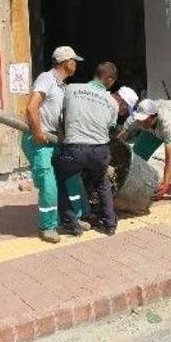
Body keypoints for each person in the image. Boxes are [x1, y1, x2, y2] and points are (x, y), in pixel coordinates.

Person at [23, 46, 90, 244]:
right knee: (49, 184)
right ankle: (48, 226)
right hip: (39, 140)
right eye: (73, 61)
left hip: (54, 140)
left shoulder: (62, 86)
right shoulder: (47, 79)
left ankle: (72, 218)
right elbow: (31, 107)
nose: (76, 65)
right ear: (65, 62)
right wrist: (37, 132)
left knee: (71, 178)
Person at [55, 62, 121, 235]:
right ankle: (110, 225)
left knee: (59, 180)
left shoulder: (71, 89)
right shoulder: (112, 102)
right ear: (110, 79)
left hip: (74, 149)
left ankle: (71, 223)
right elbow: (111, 128)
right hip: (99, 151)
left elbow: (60, 116)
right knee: (101, 183)